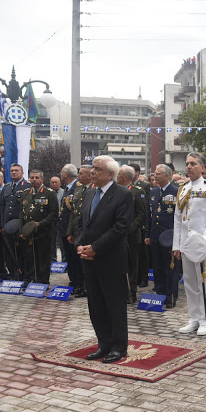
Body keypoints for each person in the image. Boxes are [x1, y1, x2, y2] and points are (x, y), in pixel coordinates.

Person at [76, 155, 133, 364]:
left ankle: (119, 347)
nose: (92, 172)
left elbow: (121, 228)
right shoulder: (90, 193)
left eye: (97, 169)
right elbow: (83, 223)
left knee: (114, 306)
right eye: (92, 168)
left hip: (111, 259)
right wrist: (80, 245)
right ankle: (104, 344)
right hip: (89, 260)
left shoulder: (122, 195)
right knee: (96, 305)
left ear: (110, 174)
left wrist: (95, 248)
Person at [172, 152, 206, 336]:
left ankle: (205, 320)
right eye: (187, 164)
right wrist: (176, 245)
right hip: (186, 245)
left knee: (204, 284)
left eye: (193, 164)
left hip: (204, 245)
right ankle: (193, 318)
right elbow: (178, 219)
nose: (189, 167)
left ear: (202, 167)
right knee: (190, 284)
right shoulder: (183, 188)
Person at [146, 164, 179, 308]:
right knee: (157, 267)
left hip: (169, 236)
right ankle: (160, 294)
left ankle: (171, 296)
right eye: (154, 174)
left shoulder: (176, 191)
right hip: (155, 235)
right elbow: (150, 215)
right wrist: (147, 233)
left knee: (170, 268)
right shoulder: (153, 192)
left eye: (158, 174)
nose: (155, 176)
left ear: (167, 175)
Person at [18, 169, 58, 284]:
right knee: (30, 257)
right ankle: (31, 279)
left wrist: (40, 224)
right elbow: (21, 213)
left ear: (42, 179)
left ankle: (43, 281)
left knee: (43, 258)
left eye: (37, 178)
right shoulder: (26, 193)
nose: (34, 180)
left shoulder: (49, 193)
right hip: (28, 232)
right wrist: (22, 230)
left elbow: (53, 214)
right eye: (32, 177)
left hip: (43, 232)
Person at [116, 165, 146, 304]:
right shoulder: (116, 191)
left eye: (119, 174)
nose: (117, 177)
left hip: (132, 236)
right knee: (120, 264)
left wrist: (130, 228)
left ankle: (132, 293)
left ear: (126, 177)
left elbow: (141, 214)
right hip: (117, 235)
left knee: (132, 265)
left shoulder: (136, 191)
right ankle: (121, 291)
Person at [0, 163, 31, 280]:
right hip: (8, 225)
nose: (13, 172)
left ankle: (25, 275)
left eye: (16, 170)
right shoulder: (7, 187)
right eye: (12, 170)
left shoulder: (27, 186)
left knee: (22, 252)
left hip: (20, 225)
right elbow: (4, 207)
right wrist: (2, 224)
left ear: (22, 173)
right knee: (9, 252)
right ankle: (13, 274)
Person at [67, 165, 93, 298]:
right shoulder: (78, 189)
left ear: (90, 176)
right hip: (78, 228)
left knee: (87, 260)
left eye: (82, 173)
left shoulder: (94, 189)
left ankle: (88, 287)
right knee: (76, 260)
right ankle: (79, 285)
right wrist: (70, 232)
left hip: (89, 230)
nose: (79, 176)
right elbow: (73, 212)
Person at [58, 164, 83, 294]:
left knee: (75, 259)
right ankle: (73, 281)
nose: (60, 175)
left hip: (72, 231)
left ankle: (79, 283)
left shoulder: (77, 188)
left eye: (62, 172)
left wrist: (71, 232)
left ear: (66, 174)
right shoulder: (67, 189)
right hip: (64, 229)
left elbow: (75, 212)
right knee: (69, 258)